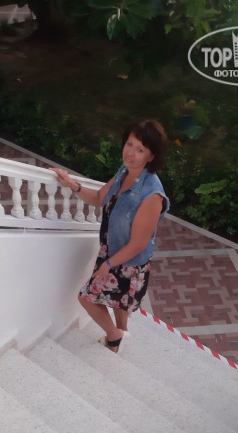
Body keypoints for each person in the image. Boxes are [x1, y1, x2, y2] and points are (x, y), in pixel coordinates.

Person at [50, 119, 170, 353]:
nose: (130, 153)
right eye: (129, 144)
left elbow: (138, 244)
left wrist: (107, 265)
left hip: (128, 262)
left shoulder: (151, 195)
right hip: (112, 249)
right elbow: (98, 198)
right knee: (118, 301)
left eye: (140, 149)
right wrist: (71, 185)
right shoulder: (125, 172)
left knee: (86, 298)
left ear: (151, 156)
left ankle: (114, 337)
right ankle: (121, 336)